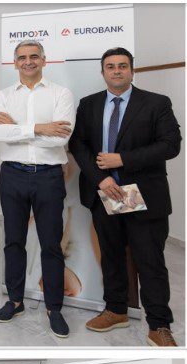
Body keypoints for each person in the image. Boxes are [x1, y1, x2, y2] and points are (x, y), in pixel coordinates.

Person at [68, 48, 182, 347]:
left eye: (122, 66)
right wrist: (101, 178)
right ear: (103, 72)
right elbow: (78, 145)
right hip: (105, 194)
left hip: (143, 196)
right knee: (112, 256)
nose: (116, 70)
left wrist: (123, 159)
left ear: (132, 70)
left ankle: (159, 325)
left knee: (150, 261)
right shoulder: (89, 104)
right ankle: (116, 310)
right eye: (110, 66)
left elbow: (171, 145)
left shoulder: (156, 103)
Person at [0, 40, 75, 338]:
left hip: (49, 176)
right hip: (12, 175)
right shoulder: (2, 96)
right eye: (22, 57)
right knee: (13, 241)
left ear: (44, 60)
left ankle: (54, 307)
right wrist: (39, 127)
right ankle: (14, 301)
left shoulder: (61, 94)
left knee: (51, 244)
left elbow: (60, 138)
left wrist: (17, 127)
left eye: (34, 56)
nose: (28, 61)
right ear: (15, 63)